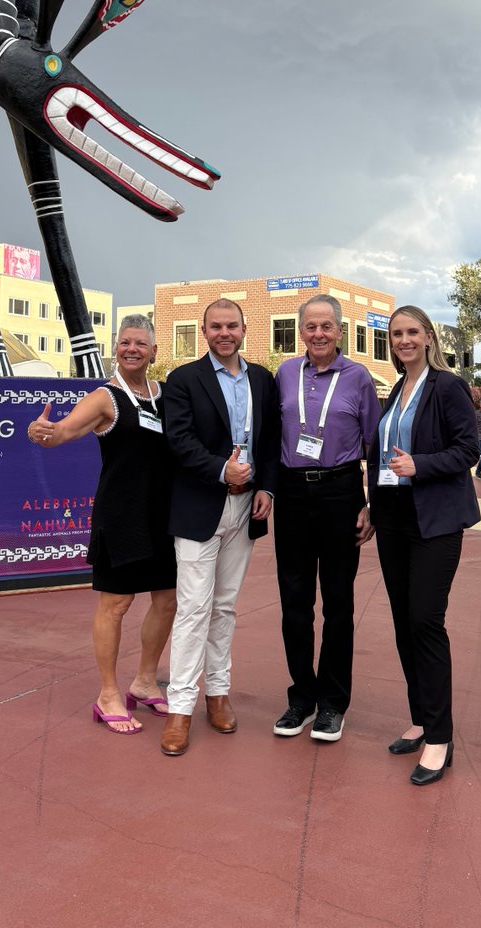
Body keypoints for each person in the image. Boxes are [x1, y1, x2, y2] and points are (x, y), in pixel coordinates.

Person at [27, 314, 175, 736]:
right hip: (121, 517)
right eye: (125, 342)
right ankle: (108, 694)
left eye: (140, 344)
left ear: (153, 352)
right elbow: (61, 433)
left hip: (163, 516)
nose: (132, 349)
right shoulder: (103, 398)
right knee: (116, 605)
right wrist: (42, 431)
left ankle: (145, 681)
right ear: (116, 348)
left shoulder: (165, 397)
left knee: (167, 601)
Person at [159, 298, 280, 756]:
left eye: (231, 325)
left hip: (246, 506)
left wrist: (267, 487)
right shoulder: (184, 380)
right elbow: (179, 440)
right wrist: (219, 470)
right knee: (193, 609)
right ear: (204, 331)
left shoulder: (261, 380)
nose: (224, 333)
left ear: (245, 329)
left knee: (225, 606)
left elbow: (270, 441)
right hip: (200, 506)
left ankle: (217, 692)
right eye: (215, 326)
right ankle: (180, 708)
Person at [366, 305, 480, 786]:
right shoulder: (396, 389)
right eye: (397, 334)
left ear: (429, 337)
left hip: (433, 520)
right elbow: (380, 456)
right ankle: (421, 718)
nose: (404, 340)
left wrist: (421, 465)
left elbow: (468, 450)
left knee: (425, 622)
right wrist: (371, 505)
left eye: (413, 332)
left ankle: (440, 737)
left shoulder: (447, 387)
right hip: (392, 519)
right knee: (402, 622)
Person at [272, 294, 380, 743]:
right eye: (311, 326)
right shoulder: (283, 374)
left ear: (340, 331)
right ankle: (302, 698)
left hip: (340, 491)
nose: (319, 334)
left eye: (326, 326)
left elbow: (375, 445)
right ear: (301, 332)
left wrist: (371, 503)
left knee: (338, 603)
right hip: (293, 492)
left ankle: (333, 703)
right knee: (295, 602)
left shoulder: (359, 378)